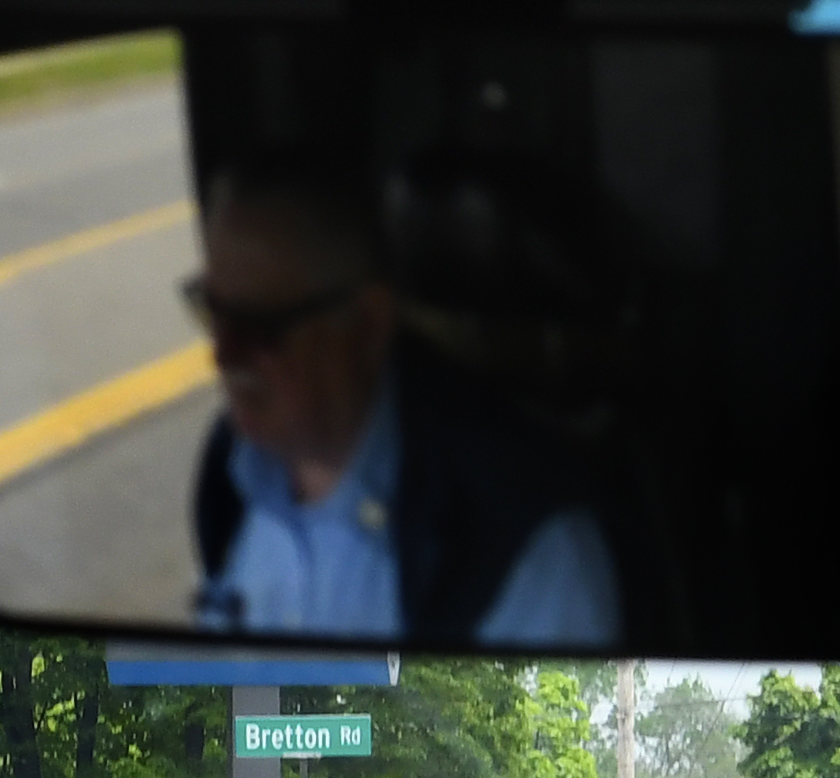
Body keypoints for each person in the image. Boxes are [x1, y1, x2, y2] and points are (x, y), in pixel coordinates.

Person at [183, 152, 623, 647]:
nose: (223, 353)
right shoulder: (230, 475)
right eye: (214, 313)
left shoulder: (530, 551)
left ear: (368, 324)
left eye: (261, 327)